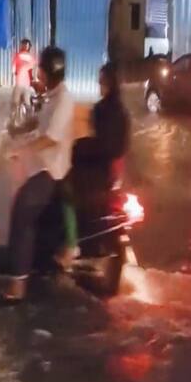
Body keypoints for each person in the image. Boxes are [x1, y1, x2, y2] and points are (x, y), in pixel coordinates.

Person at [5, 46, 75, 282]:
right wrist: (16, 130)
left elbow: (50, 137)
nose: (38, 75)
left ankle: (18, 283)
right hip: (39, 165)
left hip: (52, 172)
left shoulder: (64, 100)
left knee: (21, 213)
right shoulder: (50, 96)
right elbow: (37, 124)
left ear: (48, 73)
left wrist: (22, 149)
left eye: (41, 71)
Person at [70, 63, 131, 254]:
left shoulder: (105, 110)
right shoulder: (119, 110)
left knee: (65, 189)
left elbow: (104, 144)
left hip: (100, 169)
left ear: (110, 83)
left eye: (102, 80)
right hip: (109, 168)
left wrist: (78, 148)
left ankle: (72, 244)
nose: (99, 84)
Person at [11, 39, 36, 122]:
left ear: (22, 46)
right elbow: (34, 71)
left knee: (15, 102)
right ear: (29, 47)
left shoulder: (17, 56)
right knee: (28, 102)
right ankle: (30, 120)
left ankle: (12, 120)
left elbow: (13, 70)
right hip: (27, 84)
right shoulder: (32, 58)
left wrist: (16, 73)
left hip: (19, 83)